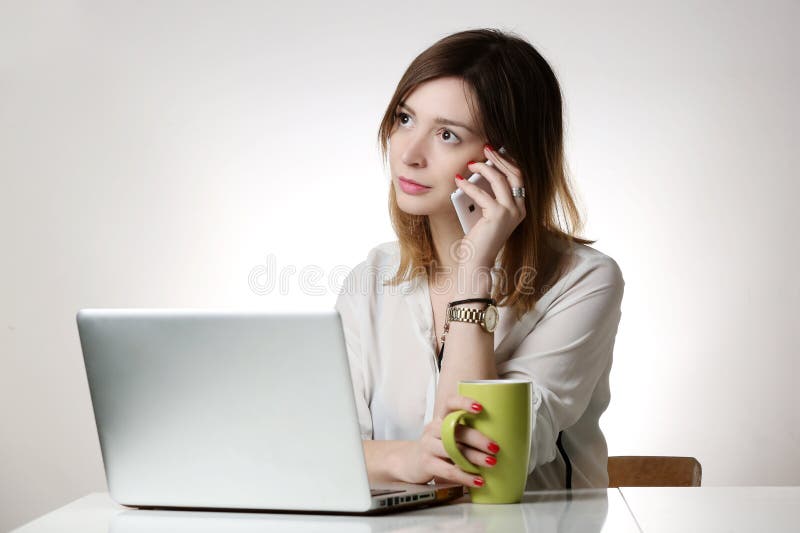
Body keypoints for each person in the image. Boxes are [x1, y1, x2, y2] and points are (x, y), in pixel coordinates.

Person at [334, 28, 624, 491]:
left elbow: (484, 462)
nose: (408, 154)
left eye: (447, 134)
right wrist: (408, 459)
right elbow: (323, 450)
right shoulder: (371, 277)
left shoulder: (585, 280)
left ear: (507, 160)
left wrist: (474, 273)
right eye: (405, 119)